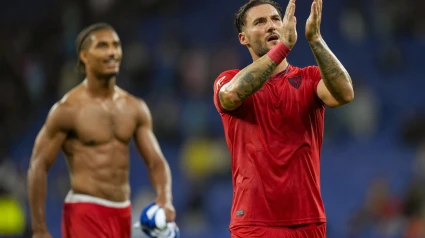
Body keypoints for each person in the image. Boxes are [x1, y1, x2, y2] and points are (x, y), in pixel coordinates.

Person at [213, 0, 354, 237]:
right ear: (243, 38)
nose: (271, 26)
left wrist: (316, 40)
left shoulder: (309, 78)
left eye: (275, 19)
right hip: (253, 224)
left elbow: (345, 93)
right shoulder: (229, 79)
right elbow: (230, 96)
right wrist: (283, 48)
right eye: (260, 22)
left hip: (308, 222)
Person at [27, 23, 176, 238]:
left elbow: (156, 161)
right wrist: (39, 228)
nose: (112, 52)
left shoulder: (134, 108)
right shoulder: (67, 110)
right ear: (85, 56)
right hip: (85, 211)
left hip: (122, 212)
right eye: (103, 46)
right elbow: (38, 165)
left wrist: (165, 197)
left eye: (116, 45)